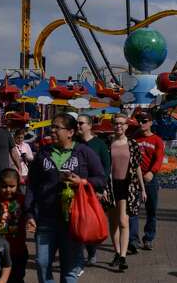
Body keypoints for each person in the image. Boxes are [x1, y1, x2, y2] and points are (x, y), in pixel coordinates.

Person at [25, 113, 106, 283]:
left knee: (69, 269)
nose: (52, 130)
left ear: (70, 132)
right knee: (42, 263)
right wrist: (30, 213)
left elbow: (101, 179)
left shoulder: (84, 152)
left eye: (57, 127)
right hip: (46, 218)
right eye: (51, 127)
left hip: (73, 220)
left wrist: (81, 181)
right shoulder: (43, 153)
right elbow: (32, 185)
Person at [105, 113, 147, 271]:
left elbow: (137, 167)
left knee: (123, 221)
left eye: (122, 123)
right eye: (116, 123)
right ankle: (116, 253)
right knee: (113, 222)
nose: (119, 126)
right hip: (111, 186)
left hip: (127, 186)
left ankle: (123, 256)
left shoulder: (133, 144)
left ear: (127, 126)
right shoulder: (108, 142)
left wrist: (142, 188)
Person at [76, 114, 111, 266]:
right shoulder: (75, 143)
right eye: (77, 123)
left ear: (89, 125)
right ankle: (76, 253)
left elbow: (106, 167)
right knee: (76, 220)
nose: (78, 126)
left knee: (89, 220)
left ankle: (91, 252)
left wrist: (101, 188)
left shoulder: (100, 144)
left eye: (81, 123)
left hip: (92, 189)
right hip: (76, 187)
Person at [129, 111, 165, 253]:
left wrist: (152, 172)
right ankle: (133, 240)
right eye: (139, 121)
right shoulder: (133, 138)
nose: (141, 123)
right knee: (133, 210)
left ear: (150, 122)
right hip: (134, 180)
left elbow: (159, 159)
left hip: (149, 179)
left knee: (151, 211)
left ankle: (148, 238)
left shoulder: (157, 140)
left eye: (144, 121)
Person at [0, 169, 28, 283]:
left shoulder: (23, 201)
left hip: (18, 250)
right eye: (4, 186)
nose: (8, 190)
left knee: (17, 278)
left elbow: (30, 216)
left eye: (12, 186)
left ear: (18, 185)